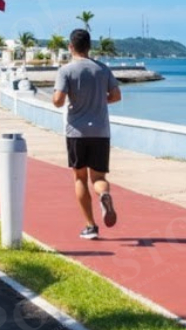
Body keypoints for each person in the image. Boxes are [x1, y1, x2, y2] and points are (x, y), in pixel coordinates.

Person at [52, 28, 121, 240]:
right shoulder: (103, 69)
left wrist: (65, 100)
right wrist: (100, 101)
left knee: (80, 177)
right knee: (99, 177)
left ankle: (90, 226)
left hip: (76, 132)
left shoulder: (66, 71)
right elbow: (116, 96)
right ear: (89, 47)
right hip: (100, 131)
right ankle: (104, 195)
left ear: (70, 47)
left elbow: (58, 100)